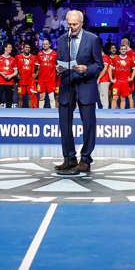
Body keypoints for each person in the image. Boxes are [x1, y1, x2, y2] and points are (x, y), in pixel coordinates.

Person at [54, 10, 103, 174]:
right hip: (67, 84)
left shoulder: (93, 39)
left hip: (86, 84)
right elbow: (58, 60)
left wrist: (87, 69)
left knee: (89, 124)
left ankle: (86, 159)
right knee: (64, 124)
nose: (71, 27)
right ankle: (69, 158)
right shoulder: (61, 39)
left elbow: (99, 65)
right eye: (69, 24)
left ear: (81, 23)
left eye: (74, 24)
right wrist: (58, 68)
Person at [111, 39, 135, 109]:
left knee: (123, 99)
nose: (123, 50)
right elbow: (110, 69)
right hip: (117, 82)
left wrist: (131, 78)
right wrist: (111, 79)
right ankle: (112, 114)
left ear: (126, 50)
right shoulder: (115, 59)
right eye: (121, 49)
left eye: (124, 49)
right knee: (114, 98)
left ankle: (122, 114)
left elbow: (134, 69)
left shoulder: (130, 59)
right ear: (119, 50)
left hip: (125, 82)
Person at [0, 43, 18, 108]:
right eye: (9, 47)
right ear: (5, 48)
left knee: (9, 100)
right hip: (0, 82)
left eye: (11, 47)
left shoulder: (13, 59)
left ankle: (8, 115)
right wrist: (1, 73)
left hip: (10, 83)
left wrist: (11, 76)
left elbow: (16, 71)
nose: (11, 49)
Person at [36, 38, 59, 108]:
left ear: (49, 45)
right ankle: (40, 113)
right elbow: (37, 66)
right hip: (41, 78)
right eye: (43, 44)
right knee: (41, 96)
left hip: (51, 78)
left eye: (46, 44)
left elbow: (57, 65)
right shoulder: (39, 54)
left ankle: (53, 113)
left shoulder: (55, 54)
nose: (45, 45)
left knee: (51, 96)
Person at [15, 43, 39, 108]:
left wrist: (36, 74)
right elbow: (13, 67)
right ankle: (19, 112)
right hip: (21, 80)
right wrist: (16, 75)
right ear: (23, 48)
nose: (27, 48)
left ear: (30, 49)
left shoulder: (34, 57)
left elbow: (38, 67)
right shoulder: (18, 57)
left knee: (30, 97)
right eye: (26, 47)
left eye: (28, 47)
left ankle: (30, 113)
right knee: (20, 97)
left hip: (30, 80)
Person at [97, 42, 114, 109]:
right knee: (99, 95)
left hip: (104, 79)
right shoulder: (101, 58)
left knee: (104, 97)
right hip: (102, 80)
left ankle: (105, 111)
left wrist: (99, 78)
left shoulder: (105, 57)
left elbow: (105, 69)